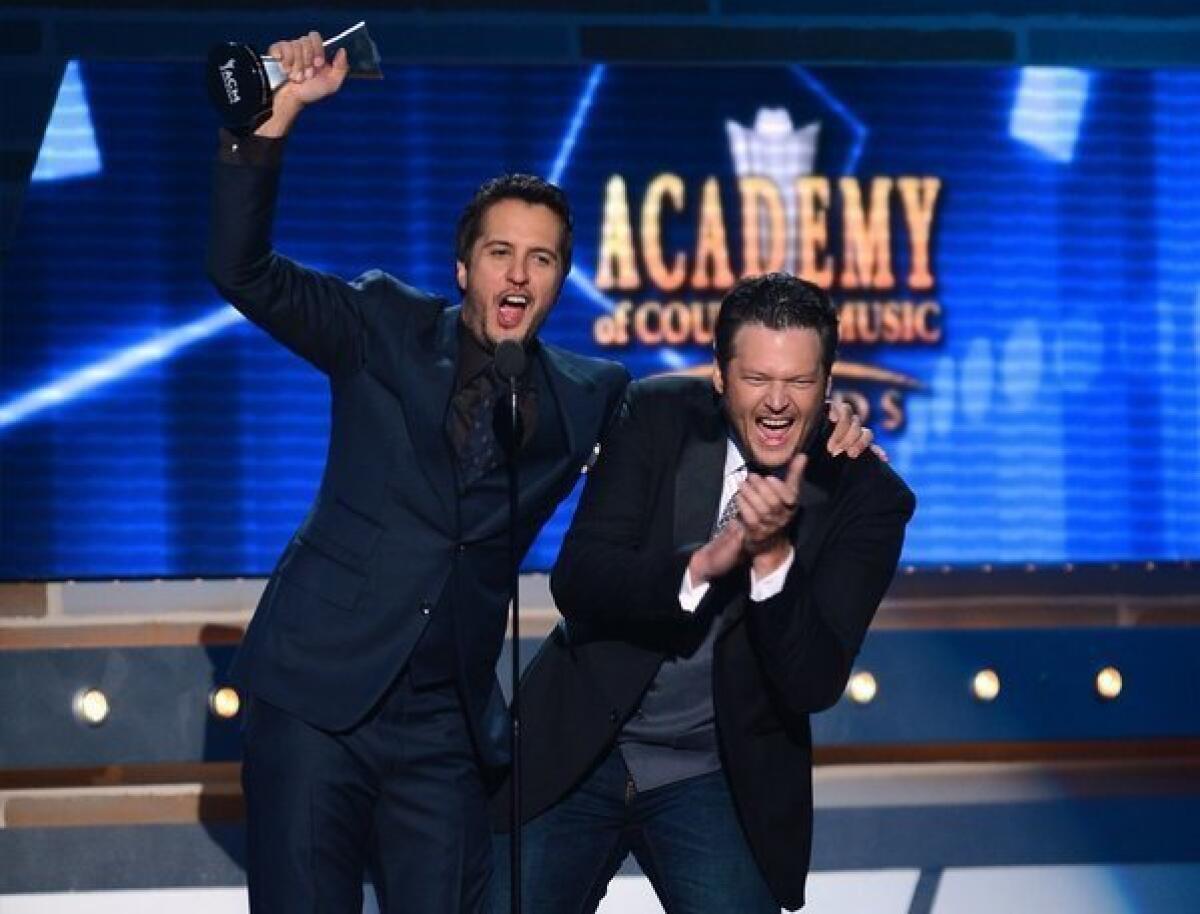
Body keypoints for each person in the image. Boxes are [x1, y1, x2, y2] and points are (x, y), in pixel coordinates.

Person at [205, 31, 631, 914]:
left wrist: (825, 419)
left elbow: (692, 416)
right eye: (501, 253)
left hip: (443, 730)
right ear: (463, 267)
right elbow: (240, 270)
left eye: (542, 258)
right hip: (318, 698)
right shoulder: (382, 322)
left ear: (559, 282)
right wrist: (273, 119)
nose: (519, 273)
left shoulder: (588, 396)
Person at [492, 272, 916, 913]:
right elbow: (578, 580)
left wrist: (772, 557)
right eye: (757, 378)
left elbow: (810, 684)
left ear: (828, 385)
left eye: (799, 381)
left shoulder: (868, 498)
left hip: (715, 771)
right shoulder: (656, 415)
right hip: (581, 745)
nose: (778, 402)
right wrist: (701, 568)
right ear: (721, 376)